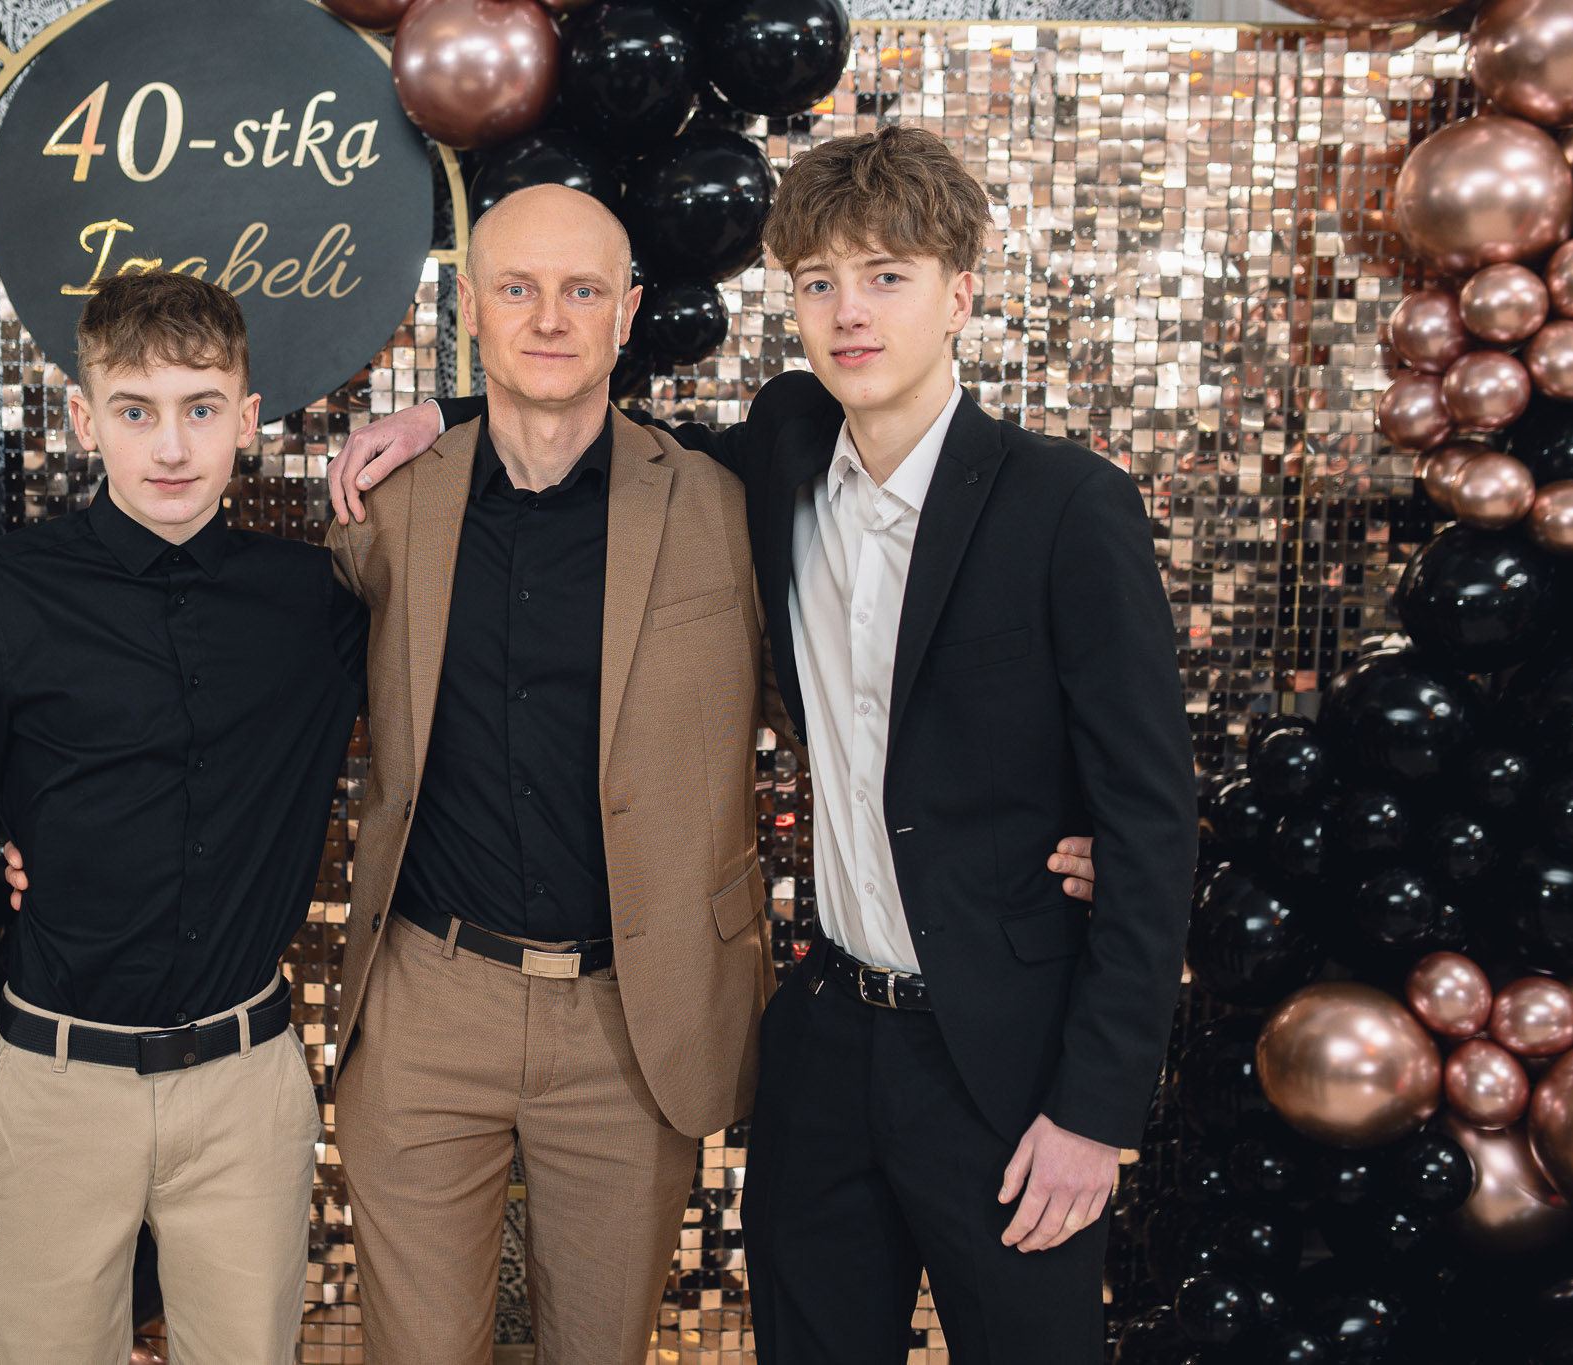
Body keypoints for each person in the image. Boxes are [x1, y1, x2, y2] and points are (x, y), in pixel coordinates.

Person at [332, 126, 1196, 1364]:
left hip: (1005, 1054)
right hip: (826, 1037)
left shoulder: (1066, 506)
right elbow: (569, 421)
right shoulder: (782, 452)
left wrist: (1096, 1111)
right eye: (819, 283)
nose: (850, 313)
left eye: (886, 277)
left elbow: (1151, 824)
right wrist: (442, 412)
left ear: (959, 294)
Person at [0, 271, 365, 1365]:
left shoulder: (317, 602)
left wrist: (441, 417)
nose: (170, 447)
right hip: (55, 1089)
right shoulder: (3, 591)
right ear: (87, 422)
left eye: (199, 408)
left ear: (246, 417)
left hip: (246, 1090)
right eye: (136, 411)